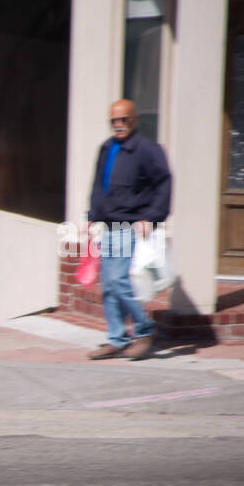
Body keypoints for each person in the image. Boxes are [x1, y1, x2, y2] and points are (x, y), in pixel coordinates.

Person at [83, 98, 172, 361]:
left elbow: (164, 185)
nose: (118, 125)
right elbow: (99, 185)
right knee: (108, 286)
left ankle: (145, 330)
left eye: (123, 120)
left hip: (130, 226)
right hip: (109, 226)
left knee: (120, 282)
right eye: (114, 121)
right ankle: (117, 339)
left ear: (134, 119)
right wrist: (92, 215)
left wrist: (151, 218)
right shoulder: (107, 148)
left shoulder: (147, 150)